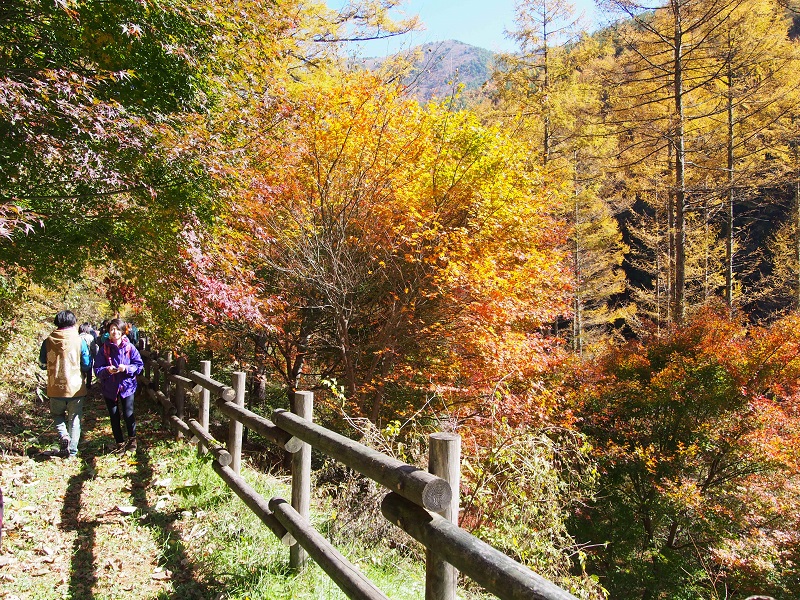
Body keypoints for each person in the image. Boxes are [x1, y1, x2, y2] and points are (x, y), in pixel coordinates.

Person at [38, 310, 91, 458]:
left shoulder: (48, 341)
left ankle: (64, 436)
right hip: (75, 388)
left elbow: (42, 363)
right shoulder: (79, 340)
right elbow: (86, 364)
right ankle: (72, 452)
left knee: (57, 415)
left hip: (55, 387)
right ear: (73, 322)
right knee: (74, 419)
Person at [94, 318, 144, 452]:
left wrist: (126, 368)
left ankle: (132, 440)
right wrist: (107, 370)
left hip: (127, 386)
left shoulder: (129, 347)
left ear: (122, 331)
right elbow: (97, 368)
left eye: (117, 329)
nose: (114, 331)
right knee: (114, 416)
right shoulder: (104, 348)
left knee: (128, 414)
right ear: (109, 332)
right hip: (109, 387)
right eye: (111, 329)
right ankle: (119, 443)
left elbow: (139, 366)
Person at [78, 322, 97, 389]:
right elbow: (93, 348)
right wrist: (95, 357)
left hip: (78, 357)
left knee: (80, 371)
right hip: (89, 356)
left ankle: (81, 384)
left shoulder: (77, 337)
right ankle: (88, 384)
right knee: (89, 371)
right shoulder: (90, 337)